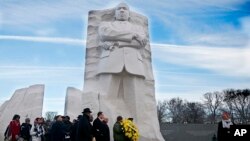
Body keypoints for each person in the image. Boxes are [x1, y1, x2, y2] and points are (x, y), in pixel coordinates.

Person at [97, 3, 148, 119]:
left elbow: (139, 43)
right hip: (109, 62)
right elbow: (105, 34)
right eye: (119, 9)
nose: (121, 10)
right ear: (114, 13)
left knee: (136, 100)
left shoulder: (139, 28)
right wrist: (133, 35)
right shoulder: (106, 25)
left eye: (125, 9)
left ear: (129, 14)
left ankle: (136, 129)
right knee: (105, 98)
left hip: (134, 64)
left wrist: (118, 42)